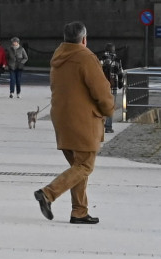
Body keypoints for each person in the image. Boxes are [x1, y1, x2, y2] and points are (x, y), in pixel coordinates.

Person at [34, 21, 116, 225]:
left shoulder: (58, 57)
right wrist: (108, 110)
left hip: (62, 120)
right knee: (85, 166)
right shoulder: (86, 58)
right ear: (84, 39)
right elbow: (101, 90)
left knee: (77, 167)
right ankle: (48, 193)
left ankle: (79, 211)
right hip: (83, 121)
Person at [100, 42, 123, 133]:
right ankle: (108, 127)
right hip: (113, 88)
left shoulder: (101, 59)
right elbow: (120, 74)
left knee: (101, 107)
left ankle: (100, 126)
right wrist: (120, 84)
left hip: (102, 88)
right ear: (113, 50)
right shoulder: (117, 61)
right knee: (110, 107)